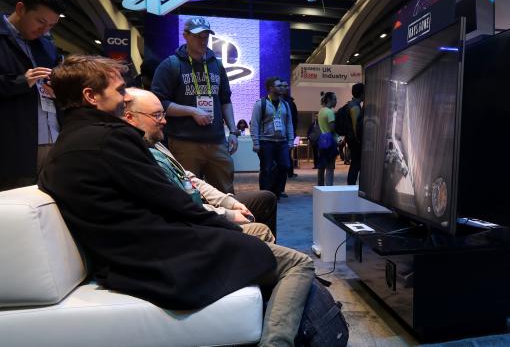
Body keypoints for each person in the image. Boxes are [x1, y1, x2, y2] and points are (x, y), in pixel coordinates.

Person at [40, 55, 314, 346]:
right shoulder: (111, 139)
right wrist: (226, 227)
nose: (124, 98)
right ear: (90, 96)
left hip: (128, 259)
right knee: (299, 263)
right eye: (119, 91)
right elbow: (171, 200)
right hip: (164, 260)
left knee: (256, 236)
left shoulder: (61, 149)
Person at [124, 88, 276, 239]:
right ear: (129, 117)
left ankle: (262, 256)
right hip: (190, 219)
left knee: (265, 199)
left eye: (162, 114)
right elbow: (180, 207)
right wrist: (228, 214)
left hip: (198, 203)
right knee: (261, 231)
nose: (164, 120)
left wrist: (228, 202)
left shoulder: (155, 141)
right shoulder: (135, 154)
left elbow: (188, 178)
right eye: (156, 115)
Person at [151, 16, 240, 194]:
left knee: (226, 192)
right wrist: (191, 111)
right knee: (189, 194)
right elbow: (158, 102)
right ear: (185, 35)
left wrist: (233, 131)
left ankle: (228, 222)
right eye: (198, 36)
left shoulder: (217, 65)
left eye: (206, 36)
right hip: (185, 142)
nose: (202, 40)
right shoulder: (171, 65)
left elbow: (225, 100)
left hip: (216, 142)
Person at [0, 0, 64, 190]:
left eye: (51, 26)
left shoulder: (46, 45)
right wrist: (20, 81)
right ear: (20, 9)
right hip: (12, 147)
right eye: (41, 21)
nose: (44, 30)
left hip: (52, 142)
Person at [251, 77, 295, 200]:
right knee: (266, 169)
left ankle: (276, 191)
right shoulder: (261, 104)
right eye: (279, 86)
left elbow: (289, 123)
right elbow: (254, 124)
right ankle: (265, 195)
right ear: (271, 88)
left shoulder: (285, 104)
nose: (282, 88)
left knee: (285, 166)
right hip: (266, 142)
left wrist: (290, 140)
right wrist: (256, 142)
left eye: (282, 85)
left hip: (282, 142)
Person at [277, 79, 300, 178]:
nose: (286, 88)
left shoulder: (290, 102)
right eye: (283, 86)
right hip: (276, 133)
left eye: (287, 86)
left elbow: (294, 119)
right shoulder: (272, 101)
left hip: (288, 133)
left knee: (287, 153)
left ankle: (289, 172)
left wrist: (292, 133)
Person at [317, 91, 339, 186]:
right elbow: (332, 128)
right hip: (331, 141)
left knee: (321, 166)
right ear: (329, 100)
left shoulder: (321, 111)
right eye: (335, 99)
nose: (336, 101)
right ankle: (329, 187)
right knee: (330, 166)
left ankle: (320, 186)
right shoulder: (330, 112)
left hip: (322, 141)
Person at [346, 83, 364, 186]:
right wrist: (360, 140)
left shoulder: (351, 104)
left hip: (351, 140)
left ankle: (351, 185)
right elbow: (356, 127)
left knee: (354, 164)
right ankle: (351, 186)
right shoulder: (355, 107)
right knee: (355, 164)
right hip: (355, 141)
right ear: (362, 94)